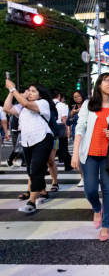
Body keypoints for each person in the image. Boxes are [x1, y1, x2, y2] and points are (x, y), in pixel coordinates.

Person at [71, 72, 109, 241]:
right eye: (107, 81)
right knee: (90, 190)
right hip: (89, 154)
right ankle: (96, 208)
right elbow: (79, 129)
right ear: (99, 84)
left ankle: (106, 225)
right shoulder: (88, 104)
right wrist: (75, 154)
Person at [4, 80, 55, 213]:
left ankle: (31, 203)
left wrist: (12, 89)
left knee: (36, 169)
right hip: (27, 141)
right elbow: (6, 108)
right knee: (31, 169)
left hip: (43, 139)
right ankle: (43, 193)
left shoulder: (42, 103)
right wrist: (11, 93)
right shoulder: (22, 108)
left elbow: (26, 103)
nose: (30, 93)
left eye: (33, 91)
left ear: (40, 95)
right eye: (29, 91)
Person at [66, 90, 86, 187]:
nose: (77, 98)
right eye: (75, 97)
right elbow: (68, 123)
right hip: (77, 136)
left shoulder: (89, 105)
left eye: (78, 96)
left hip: (88, 135)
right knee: (80, 158)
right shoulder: (72, 108)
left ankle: (90, 177)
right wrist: (72, 114)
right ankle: (83, 178)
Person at [51, 89, 73, 171]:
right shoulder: (61, 105)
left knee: (49, 149)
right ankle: (67, 165)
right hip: (60, 126)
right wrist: (67, 129)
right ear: (59, 95)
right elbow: (64, 118)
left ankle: (45, 168)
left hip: (50, 128)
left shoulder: (48, 104)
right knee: (63, 147)